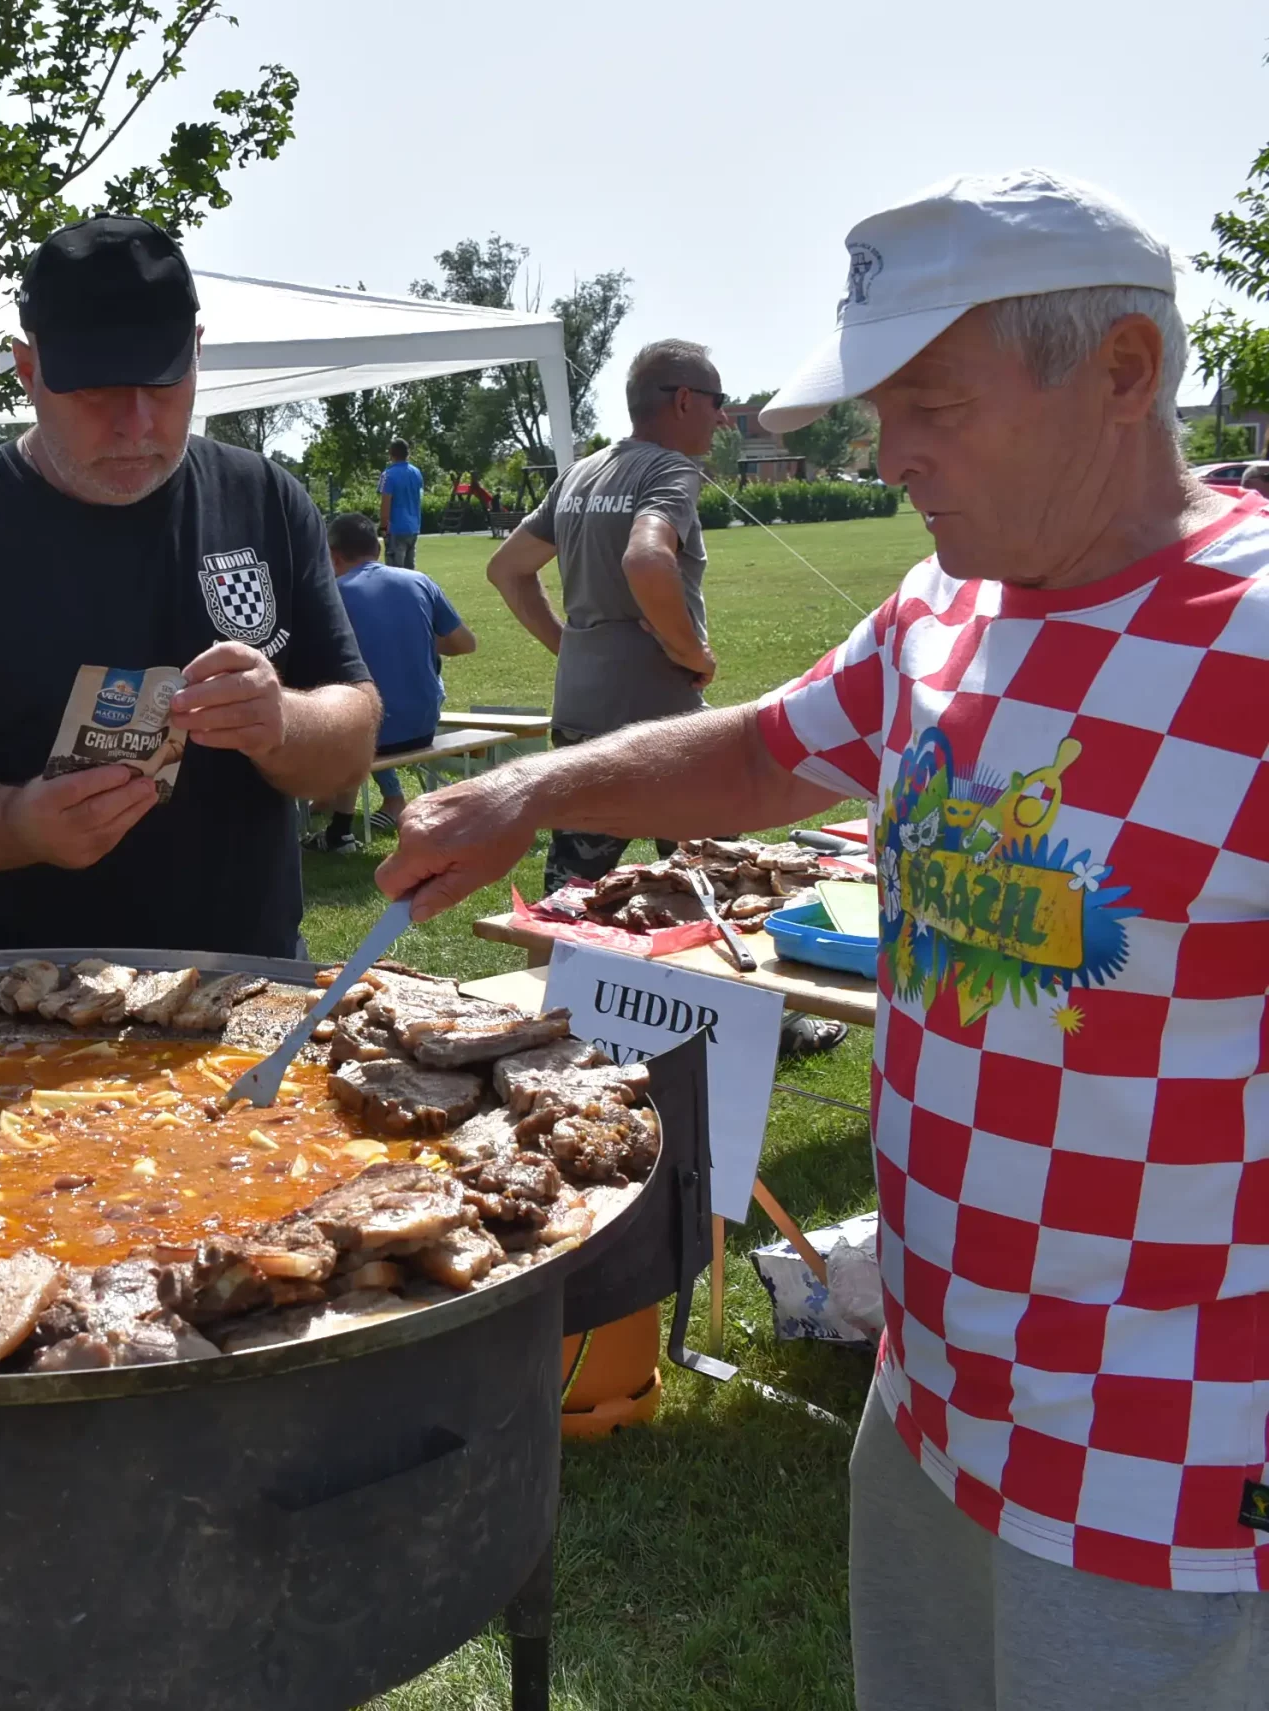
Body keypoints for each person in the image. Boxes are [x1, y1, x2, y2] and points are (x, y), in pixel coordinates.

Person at [379, 169, 1269, 1711]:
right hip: (925, 1383)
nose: (889, 453)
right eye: (876, 406)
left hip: (1170, 1453)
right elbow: (758, 751)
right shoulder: (943, 606)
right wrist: (535, 783)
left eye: (931, 402)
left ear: (1125, 371)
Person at [0, 214, 379, 957]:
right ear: (28, 370)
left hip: (244, 997)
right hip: (21, 1017)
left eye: (163, 381)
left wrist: (279, 719)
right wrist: (18, 822)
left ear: (197, 351)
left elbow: (352, 738)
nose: (136, 424)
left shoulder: (265, 502)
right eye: (97, 391)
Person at [480, 338, 729, 893]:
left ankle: (550, 979)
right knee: (719, 883)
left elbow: (506, 569)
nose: (723, 417)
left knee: (569, 899)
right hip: (661, 721)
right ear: (685, 400)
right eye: (718, 400)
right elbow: (645, 557)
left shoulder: (580, 473)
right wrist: (692, 653)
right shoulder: (670, 471)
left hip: (579, 713)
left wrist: (568, 645)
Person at [306, 510, 473, 852]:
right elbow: (464, 644)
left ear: (333, 557)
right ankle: (349, 800)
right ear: (379, 550)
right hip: (423, 725)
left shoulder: (333, 595)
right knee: (378, 692)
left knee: (336, 697)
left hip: (370, 734)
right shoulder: (419, 581)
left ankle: (340, 831)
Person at [377, 439, 425, 568]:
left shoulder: (387, 475)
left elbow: (385, 503)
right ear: (407, 454)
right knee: (410, 571)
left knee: (395, 571)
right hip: (413, 527)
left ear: (390, 454)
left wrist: (383, 527)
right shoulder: (416, 473)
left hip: (396, 529)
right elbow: (419, 498)